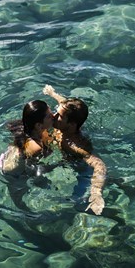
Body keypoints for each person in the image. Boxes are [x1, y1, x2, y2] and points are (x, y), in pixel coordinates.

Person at [43, 85, 106, 215]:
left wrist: (96, 193)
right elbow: (63, 102)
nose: (53, 116)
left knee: (77, 203)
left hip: (79, 166)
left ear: (71, 125)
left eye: (59, 115)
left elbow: (100, 165)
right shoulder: (64, 122)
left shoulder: (73, 145)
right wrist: (52, 93)